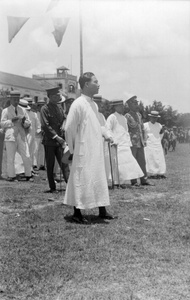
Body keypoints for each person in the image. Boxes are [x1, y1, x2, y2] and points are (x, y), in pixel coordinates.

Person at [63, 72, 114, 224]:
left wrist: (107, 135)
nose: (99, 84)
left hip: (96, 148)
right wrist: (72, 150)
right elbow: (69, 128)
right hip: (83, 150)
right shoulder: (78, 103)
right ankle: (77, 213)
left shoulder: (94, 104)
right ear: (86, 84)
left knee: (98, 176)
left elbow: (99, 124)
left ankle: (102, 210)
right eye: (95, 82)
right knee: (81, 179)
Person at [106, 99, 144, 188]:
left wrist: (128, 142)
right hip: (116, 143)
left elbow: (126, 131)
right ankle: (116, 182)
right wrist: (112, 139)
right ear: (115, 107)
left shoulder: (123, 118)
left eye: (123, 106)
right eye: (120, 106)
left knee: (127, 163)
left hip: (125, 143)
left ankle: (124, 182)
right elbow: (108, 129)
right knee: (118, 163)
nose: (122, 107)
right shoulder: (112, 117)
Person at [40, 87, 69, 193]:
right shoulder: (44, 109)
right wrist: (56, 137)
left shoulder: (60, 108)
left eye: (58, 96)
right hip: (50, 141)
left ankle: (69, 185)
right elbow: (45, 125)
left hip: (61, 141)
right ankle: (52, 187)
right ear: (50, 97)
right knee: (50, 164)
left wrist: (63, 125)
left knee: (64, 163)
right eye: (55, 96)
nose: (58, 98)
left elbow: (65, 119)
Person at [0, 90, 33, 181]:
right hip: (10, 136)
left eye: (18, 99)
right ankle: (12, 176)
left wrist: (24, 122)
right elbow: (2, 124)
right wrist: (12, 121)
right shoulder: (6, 111)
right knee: (11, 157)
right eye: (14, 99)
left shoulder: (22, 110)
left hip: (21, 135)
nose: (16, 101)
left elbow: (28, 122)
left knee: (26, 155)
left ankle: (28, 174)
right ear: (10, 99)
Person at [125, 96, 153, 186]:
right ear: (129, 105)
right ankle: (134, 181)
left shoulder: (139, 115)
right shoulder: (127, 116)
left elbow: (142, 128)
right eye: (134, 103)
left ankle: (144, 180)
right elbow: (126, 130)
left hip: (140, 142)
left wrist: (144, 139)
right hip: (132, 142)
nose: (137, 105)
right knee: (132, 161)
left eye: (137, 103)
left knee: (142, 161)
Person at [144, 111, 166, 179]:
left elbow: (161, 133)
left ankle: (160, 172)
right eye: (153, 117)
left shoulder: (159, 125)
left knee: (159, 158)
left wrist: (159, 139)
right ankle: (151, 173)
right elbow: (143, 134)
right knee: (150, 158)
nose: (154, 119)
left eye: (156, 118)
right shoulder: (145, 125)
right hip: (149, 144)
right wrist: (145, 140)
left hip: (157, 143)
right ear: (150, 117)